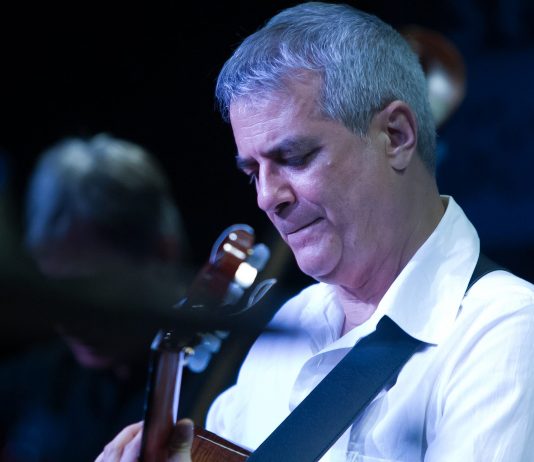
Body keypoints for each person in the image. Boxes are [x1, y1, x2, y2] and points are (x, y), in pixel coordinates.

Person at [97, 2, 534, 461]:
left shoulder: (505, 331)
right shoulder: (288, 327)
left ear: (396, 135)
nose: (267, 197)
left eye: (294, 157)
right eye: (253, 172)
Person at [0, 133, 193, 462]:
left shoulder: (229, 375)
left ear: (163, 253)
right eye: (56, 293)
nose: (68, 322)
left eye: (90, 292)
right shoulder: (31, 381)